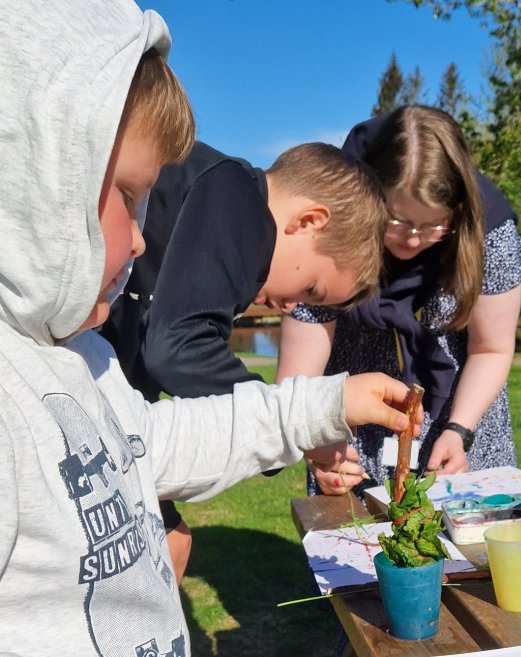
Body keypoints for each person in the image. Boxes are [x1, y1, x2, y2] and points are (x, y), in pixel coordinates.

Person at [0, 3, 421, 657]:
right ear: (34, 169)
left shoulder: (83, 356)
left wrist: (322, 406)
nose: (142, 237)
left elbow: (151, 443)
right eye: (127, 196)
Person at [99, 139, 386, 582]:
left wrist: (296, 433)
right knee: (161, 547)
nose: (292, 306)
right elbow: (179, 347)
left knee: (170, 544)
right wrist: (299, 424)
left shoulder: (222, 211)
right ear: (309, 221)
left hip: (103, 396)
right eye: (311, 288)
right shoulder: (238, 194)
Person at [277, 105, 521, 498]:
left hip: (464, 431)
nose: (412, 239)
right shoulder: (331, 224)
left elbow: (491, 348)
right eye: (397, 220)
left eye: (433, 225)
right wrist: (317, 445)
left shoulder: (488, 230)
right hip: (352, 442)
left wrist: (459, 430)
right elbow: (297, 381)